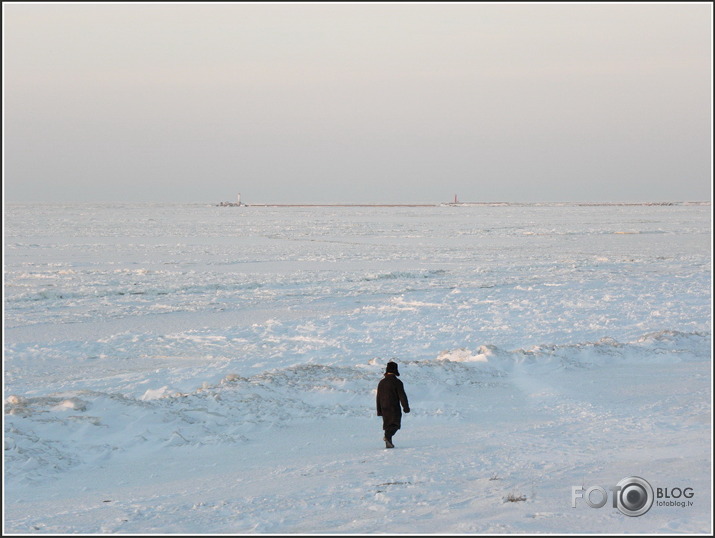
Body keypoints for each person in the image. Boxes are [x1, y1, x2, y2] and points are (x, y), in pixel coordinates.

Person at [376, 361, 410, 448]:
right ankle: (387, 437)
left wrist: (379, 410)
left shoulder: (381, 382)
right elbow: (402, 396)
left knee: (387, 425)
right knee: (395, 424)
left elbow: (378, 397)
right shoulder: (397, 382)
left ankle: (389, 443)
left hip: (384, 407)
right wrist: (406, 407)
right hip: (394, 407)